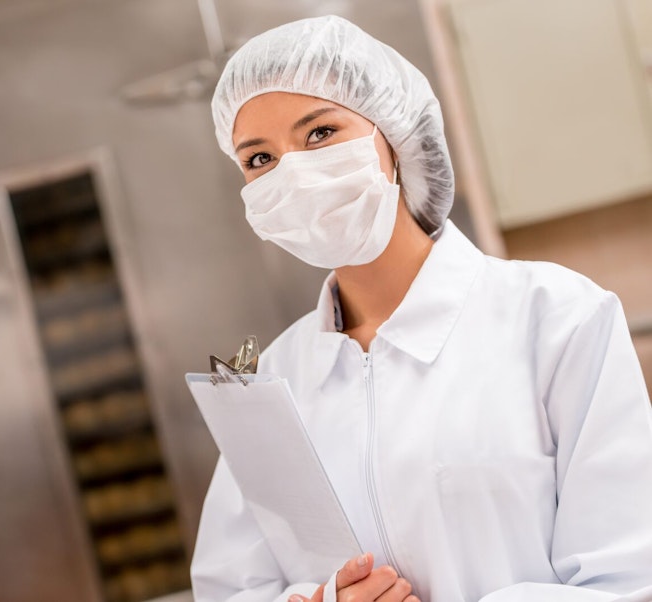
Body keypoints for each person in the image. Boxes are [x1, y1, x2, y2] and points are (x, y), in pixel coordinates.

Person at [189, 14, 652, 602]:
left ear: (396, 135)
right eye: (259, 160)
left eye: (320, 134)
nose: (295, 174)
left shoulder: (554, 318)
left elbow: (630, 581)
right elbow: (231, 588)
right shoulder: (269, 381)